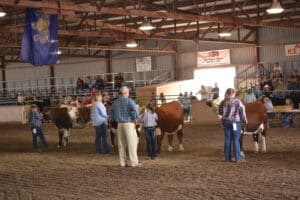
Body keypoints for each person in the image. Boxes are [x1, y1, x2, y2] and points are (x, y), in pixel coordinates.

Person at [109, 86, 141, 167]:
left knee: (121, 144)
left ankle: (122, 163)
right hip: (129, 124)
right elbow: (135, 111)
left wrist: (115, 118)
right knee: (132, 143)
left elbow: (110, 113)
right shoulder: (129, 101)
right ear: (127, 93)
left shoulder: (116, 102)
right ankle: (134, 163)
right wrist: (133, 117)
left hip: (119, 124)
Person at [222, 88, 247, 162]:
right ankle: (238, 158)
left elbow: (224, 114)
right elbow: (242, 111)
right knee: (236, 140)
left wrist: (223, 122)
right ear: (233, 93)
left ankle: (227, 158)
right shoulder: (237, 101)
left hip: (226, 122)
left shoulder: (226, 102)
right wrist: (245, 121)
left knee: (227, 139)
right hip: (235, 122)